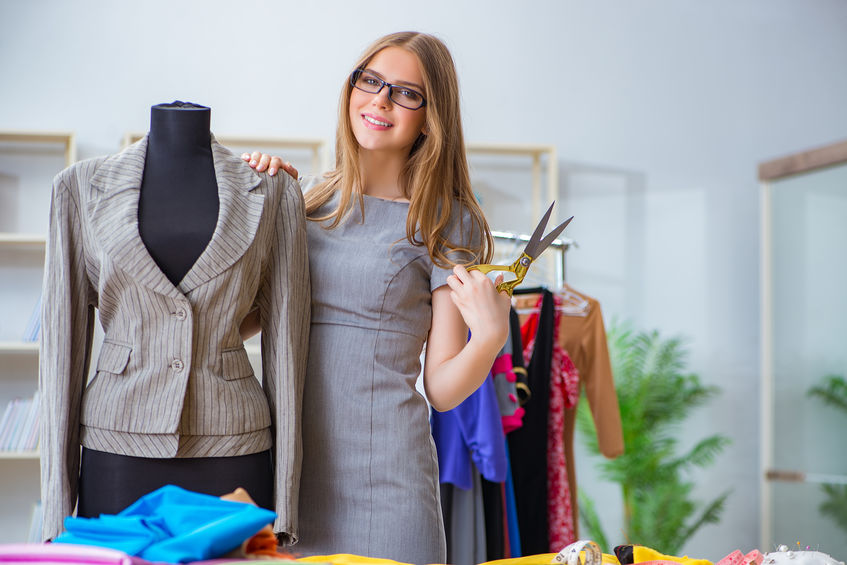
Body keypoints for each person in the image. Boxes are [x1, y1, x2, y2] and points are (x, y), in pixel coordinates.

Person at [239, 32, 512, 563]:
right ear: (351, 90)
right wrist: (249, 203)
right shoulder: (305, 199)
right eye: (370, 81)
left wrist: (491, 337)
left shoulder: (444, 220)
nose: (381, 100)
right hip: (287, 478)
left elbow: (442, 389)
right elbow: (242, 322)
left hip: (387, 487)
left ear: (432, 116)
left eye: (407, 93)